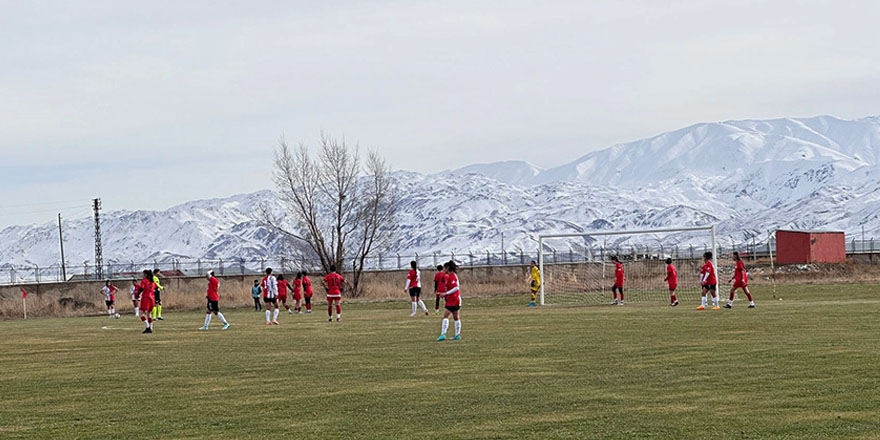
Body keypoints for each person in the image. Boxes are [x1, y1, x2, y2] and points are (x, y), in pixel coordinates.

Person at [436, 261, 462, 341]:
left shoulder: (452, 276)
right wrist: (443, 294)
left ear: (448, 268)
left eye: (444, 268)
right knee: (456, 317)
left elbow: (456, 288)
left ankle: (443, 334)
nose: (443, 269)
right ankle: (457, 335)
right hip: (452, 299)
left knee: (446, 316)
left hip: (454, 299)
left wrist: (446, 293)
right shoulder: (449, 276)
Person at [135, 270, 156, 334]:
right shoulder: (152, 282)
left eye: (143, 274)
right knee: (149, 313)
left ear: (146, 275)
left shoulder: (144, 281)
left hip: (146, 298)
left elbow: (141, 288)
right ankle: (151, 327)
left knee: (141, 313)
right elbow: (155, 289)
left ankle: (147, 327)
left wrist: (137, 295)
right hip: (152, 298)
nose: (142, 275)